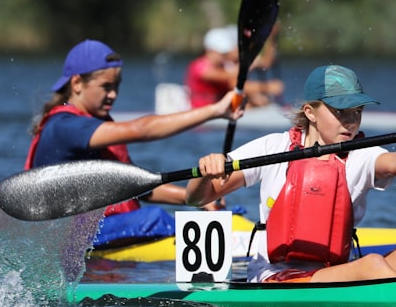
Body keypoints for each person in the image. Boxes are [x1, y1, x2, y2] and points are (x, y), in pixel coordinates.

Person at [186, 64, 396, 283]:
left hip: (336, 272)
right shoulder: (274, 147)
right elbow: (197, 199)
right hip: (277, 278)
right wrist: (204, 173)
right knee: (371, 265)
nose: (351, 121)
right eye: (341, 112)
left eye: (357, 112)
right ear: (310, 112)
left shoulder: (360, 154)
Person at [26, 39, 243, 248]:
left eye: (117, 86)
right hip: (65, 237)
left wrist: (200, 200)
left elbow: (137, 188)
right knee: (153, 218)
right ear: (76, 84)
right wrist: (215, 111)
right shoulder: (65, 126)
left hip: (100, 231)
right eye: (106, 86)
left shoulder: (95, 124)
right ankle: (224, 240)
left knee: (226, 214)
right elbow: (143, 130)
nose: (113, 94)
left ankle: (226, 232)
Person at [185, 25, 282, 110]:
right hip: (204, 111)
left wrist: (271, 38)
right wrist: (267, 87)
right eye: (222, 52)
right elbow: (229, 79)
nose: (225, 55)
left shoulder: (223, 64)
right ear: (210, 50)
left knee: (258, 99)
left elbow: (266, 63)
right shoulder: (200, 67)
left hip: (222, 107)